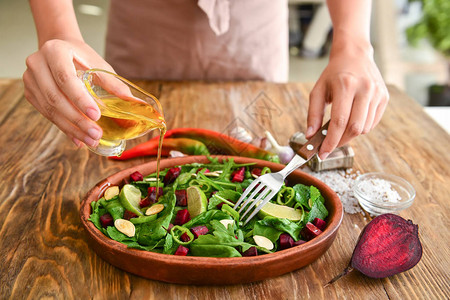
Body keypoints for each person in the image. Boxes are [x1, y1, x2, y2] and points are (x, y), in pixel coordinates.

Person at [23, 0, 389, 160]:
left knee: (255, 130)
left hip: (252, 23)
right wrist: (58, 31)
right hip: (145, 21)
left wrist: (353, 40)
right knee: (118, 115)